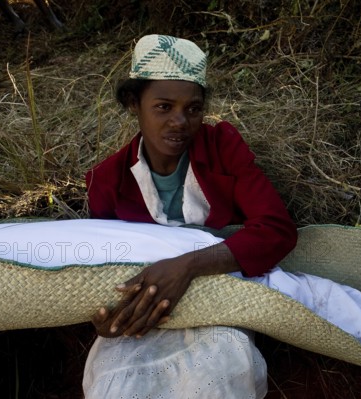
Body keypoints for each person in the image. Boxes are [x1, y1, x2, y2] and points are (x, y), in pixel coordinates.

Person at [83, 34, 298, 398]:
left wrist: (187, 266)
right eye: (164, 107)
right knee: (117, 385)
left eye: (193, 109)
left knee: (212, 378)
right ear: (135, 104)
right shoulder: (107, 180)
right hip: (146, 319)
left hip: (217, 301)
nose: (180, 121)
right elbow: (102, 267)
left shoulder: (222, 148)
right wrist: (105, 322)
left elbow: (276, 229)